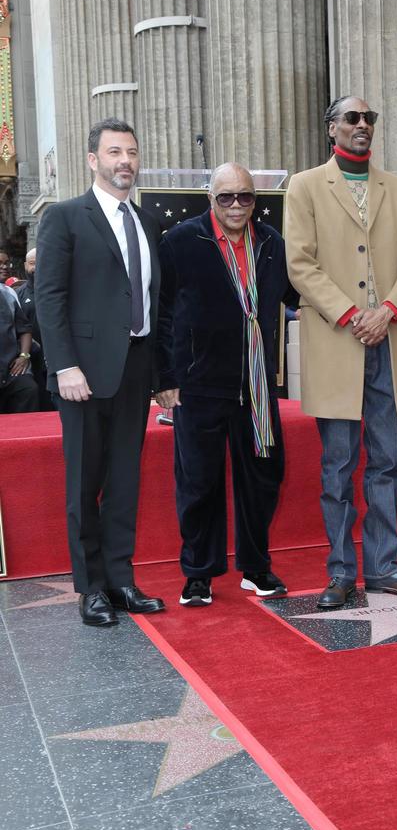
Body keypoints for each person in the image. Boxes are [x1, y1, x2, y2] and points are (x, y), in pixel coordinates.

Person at [285, 95, 397, 609]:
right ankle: (340, 572)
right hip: (338, 343)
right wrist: (351, 315)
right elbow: (300, 264)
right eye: (352, 118)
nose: (362, 125)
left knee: (388, 461)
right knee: (338, 465)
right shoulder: (306, 186)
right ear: (332, 128)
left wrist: (390, 310)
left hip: (386, 342)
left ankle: (385, 565)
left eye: (369, 118)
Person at [36, 118, 165, 626]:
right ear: (93, 160)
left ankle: (121, 581)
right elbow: (50, 297)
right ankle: (90, 589)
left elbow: (158, 302)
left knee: (125, 481)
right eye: (114, 152)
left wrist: (162, 375)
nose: (124, 162)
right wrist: (64, 364)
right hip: (82, 374)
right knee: (84, 481)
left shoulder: (149, 223)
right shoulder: (66, 218)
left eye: (131, 152)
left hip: (135, 368)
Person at [155, 163, 294, 607]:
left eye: (245, 197)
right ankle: (199, 574)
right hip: (198, 384)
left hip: (256, 383)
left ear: (256, 200)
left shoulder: (272, 243)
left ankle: (255, 568)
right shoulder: (180, 241)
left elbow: (300, 294)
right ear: (209, 199)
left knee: (263, 476)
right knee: (199, 482)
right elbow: (161, 315)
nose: (236, 206)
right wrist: (165, 378)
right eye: (226, 197)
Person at [16, 248, 55, 410]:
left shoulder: (57, 292)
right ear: (25, 265)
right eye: (32, 264)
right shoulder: (18, 295)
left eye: (41, 263)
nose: (36, 268)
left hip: (55, 354)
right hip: (31, 358)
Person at [0, 281, 39, 412]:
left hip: (10, 369)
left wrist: (24, 355)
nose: (4, 267)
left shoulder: (7, 294)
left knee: (29, 389)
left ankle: (25, 432)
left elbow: (24, 329)